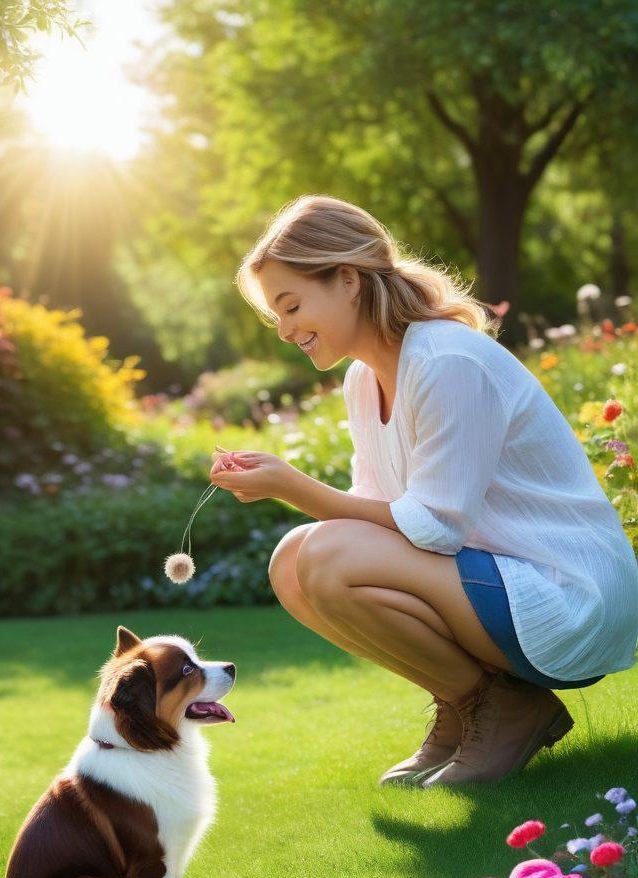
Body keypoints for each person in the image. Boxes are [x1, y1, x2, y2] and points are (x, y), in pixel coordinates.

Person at [209, 194, 638, 787]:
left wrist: (293, 487)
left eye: (291, 305)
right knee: (292, 562)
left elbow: (435, 526)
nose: (284, 330)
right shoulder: (364, 380)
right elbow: (371, 511)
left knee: (327, 554)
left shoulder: (445, 360)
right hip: (496, 584)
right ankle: (468, 706)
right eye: (275, 316)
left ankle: (504, 710)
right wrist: (291, 491)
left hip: (566, 593)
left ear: (348, 280)